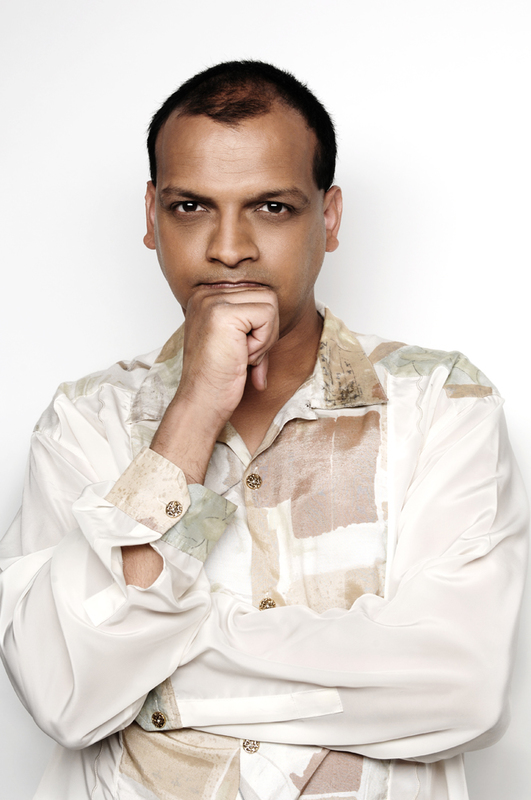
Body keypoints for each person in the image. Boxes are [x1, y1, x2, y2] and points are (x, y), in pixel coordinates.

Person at [0, 60, 527, 800]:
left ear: (329, 218)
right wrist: (192, 412)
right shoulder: (84, 422)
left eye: (272, 207)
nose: (228, 247)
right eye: (191, 206)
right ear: (151, 215)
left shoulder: (440, 403)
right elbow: (63, 694)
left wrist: (156, 664)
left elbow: (460, 687)